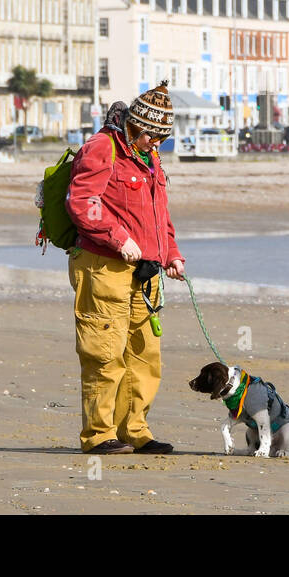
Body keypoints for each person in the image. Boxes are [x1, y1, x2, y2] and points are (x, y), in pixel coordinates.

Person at [65, 82, 186, 456]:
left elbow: (158, 213)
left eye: (162, 139)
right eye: (153, 136)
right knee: (104, 351)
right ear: (136, 126)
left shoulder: (150, 157)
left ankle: (134, 429)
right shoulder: (103, 147)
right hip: (103, 267)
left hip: (145, 272)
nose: (157, 145)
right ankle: (99, 435)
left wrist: (171, 254)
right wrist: (119, 238)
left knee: (144, 354)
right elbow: (81, 202)